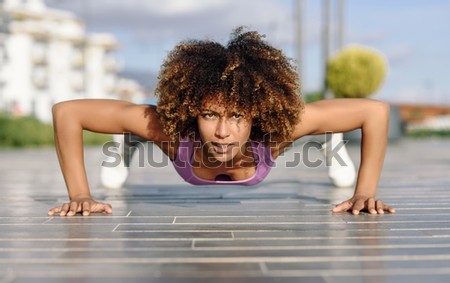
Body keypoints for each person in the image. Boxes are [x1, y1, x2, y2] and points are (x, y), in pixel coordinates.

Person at [48, 27, 395, 217]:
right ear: (192, 112)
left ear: (255, 114)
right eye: (209, 114)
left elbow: (375, 112)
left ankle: (327, 137)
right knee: (139, 124)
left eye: (237, 117)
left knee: (313, 123)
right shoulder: (170, 129)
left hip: (284, 129)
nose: (222, 132)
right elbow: (68, 112)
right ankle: (129, 141)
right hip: (159, 130)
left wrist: (364, 193)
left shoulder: (276, 131)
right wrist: (80, 194)